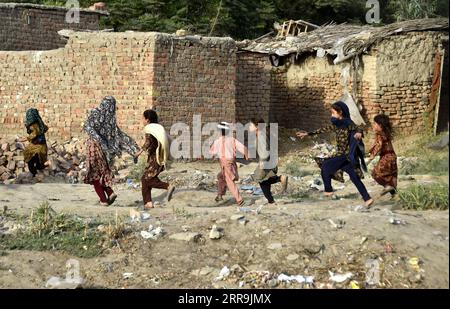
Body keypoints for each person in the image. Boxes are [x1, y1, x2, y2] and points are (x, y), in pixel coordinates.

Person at [297, 101, 374, 208]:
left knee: (325, 165)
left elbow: (358, 128)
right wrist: (308, 133)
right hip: (344, 156)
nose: (331, 115)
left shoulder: (348, 123)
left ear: (340, 112)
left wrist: (359, 133)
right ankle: (367, 198)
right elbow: (324, 129)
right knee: (354, 177)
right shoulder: (337, 125)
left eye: (333, 113)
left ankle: (328, 191)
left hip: (346, 155)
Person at [84, 96, 139, 206]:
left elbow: (88, 126)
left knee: (94, 174)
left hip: (94, 148)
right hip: (106, 152)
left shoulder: (96, 112)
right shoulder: (111, 120)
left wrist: (99, 140)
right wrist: (133, 150)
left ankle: (103, 200)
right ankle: (110, 192)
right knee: (102, 173)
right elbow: (120, 137)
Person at [134, 109, 175, 209]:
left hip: (155, 159)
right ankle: (148, 203)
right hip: (158, 157)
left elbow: (148, 143)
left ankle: (168, 186)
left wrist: (138, 153)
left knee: (147, 179)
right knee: (145, 179)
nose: (142, 121)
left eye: (143, 118)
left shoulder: (149, 129)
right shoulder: (157, 129)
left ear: (147, 120)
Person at [249, 118, 288, 205]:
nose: (249, 127)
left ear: (257, 127)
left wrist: (263, 161)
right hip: (269, 161)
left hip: (266, 161)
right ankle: (271, 200)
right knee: (265, 180)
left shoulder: (261, 136)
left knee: (261, 180)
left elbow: (265, 150)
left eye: (251, 125)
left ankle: (280, 179)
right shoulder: (261, 134)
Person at [210, 122, 249, 206]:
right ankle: (220, 195)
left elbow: (212, 152)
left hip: (225, 163)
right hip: (231, 161)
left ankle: (239, 200)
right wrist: (246, 155)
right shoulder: (232, 140)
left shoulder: (217, 141)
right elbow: (244, 148)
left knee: (229, 181)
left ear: (219, 131)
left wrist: (210, 156)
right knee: (221, 176)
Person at [368, 114, 398, 197]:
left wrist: (372, 156)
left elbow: (379, 145)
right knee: (392, 176)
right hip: (393, 156)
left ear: (380, 125)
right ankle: (395, 195)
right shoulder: (386, 133)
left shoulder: (379, 134)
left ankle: (387, 186)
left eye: (375, 123)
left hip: (386, 157)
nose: (373, 125)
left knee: (375, 173)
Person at [23, 108, 50, 178]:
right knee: (36, 160)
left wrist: (26, 139)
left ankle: (35, 173)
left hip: (37, 146)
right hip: (40, 145)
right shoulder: (38, 122)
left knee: (31, 159)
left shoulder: (34, 124)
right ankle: (37, 171)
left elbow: (34, 133)